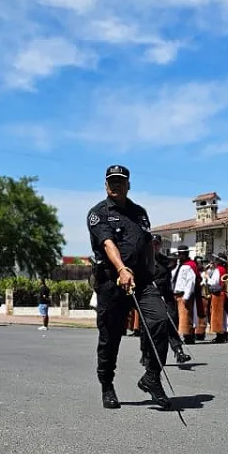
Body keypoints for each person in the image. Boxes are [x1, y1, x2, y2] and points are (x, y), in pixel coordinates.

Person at [87, 164, 171, 410]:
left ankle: (152, 376)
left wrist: (153, 272)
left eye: (120, 181)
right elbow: (107, 243)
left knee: (160, 321)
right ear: (105, 185)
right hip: (112, 282)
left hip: (142, 281)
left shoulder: (140, 213)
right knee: (110, 337)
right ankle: (107, 385)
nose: (116, 185)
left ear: (128, 184)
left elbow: (146, 246)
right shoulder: (98, 213)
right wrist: (122, 269)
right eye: (112, 181)